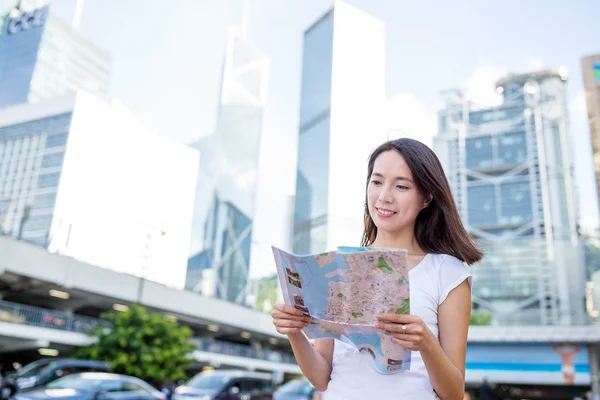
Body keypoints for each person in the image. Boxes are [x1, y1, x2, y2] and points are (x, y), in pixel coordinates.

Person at [272, 138, 482, 399]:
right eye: (377, 181)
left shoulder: (448, 273)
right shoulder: (336, 267)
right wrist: (294, 332)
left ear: (426, 198)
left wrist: (427, 343)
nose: (384, 197)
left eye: (402, 186)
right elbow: (321, 378)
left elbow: (453, 393)